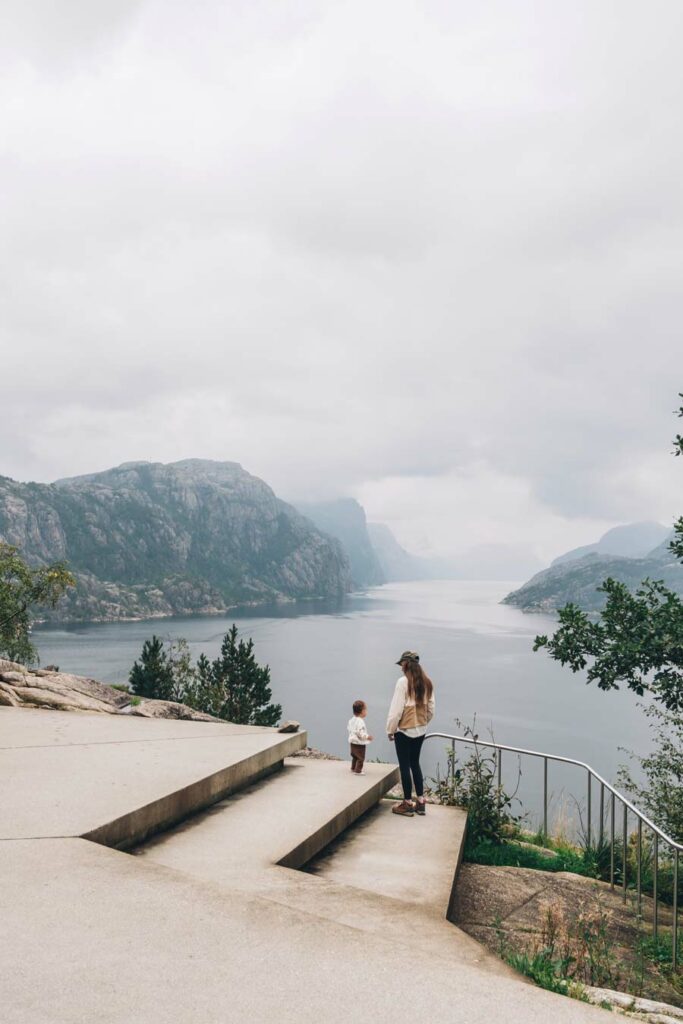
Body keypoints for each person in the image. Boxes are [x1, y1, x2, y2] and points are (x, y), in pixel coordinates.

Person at [386, 651, 435, 816]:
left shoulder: (403, 682)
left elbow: (395, 711)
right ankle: (421, 802)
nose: (401, 668)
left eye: (402, 665)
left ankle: (407, 803)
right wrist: (423, 723)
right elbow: (431, 709)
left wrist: (391, 730)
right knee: (415, 763)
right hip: (420, 730)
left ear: (406, 664)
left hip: (404, 731)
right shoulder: (427, 682)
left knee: (405, 766)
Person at [347, 699, 373, 775]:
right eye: (366, 709)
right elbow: (361, 732)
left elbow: (349, 728)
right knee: (360, 758)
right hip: (359, 743)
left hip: (352, 742)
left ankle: (353, 768)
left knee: (355, 756)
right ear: (362, 711)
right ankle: (358, 770)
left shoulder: (351, 720)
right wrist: (367, 737)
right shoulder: (360, 721)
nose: (366, 711)